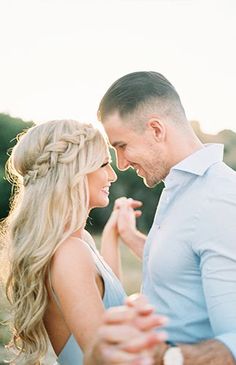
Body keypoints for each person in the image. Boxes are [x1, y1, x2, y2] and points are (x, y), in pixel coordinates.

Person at [96, 71, 236, 365]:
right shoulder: (180, 187)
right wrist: (133, 238)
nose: (121, 163)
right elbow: (186, 262)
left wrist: (168, 357)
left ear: (156, 130)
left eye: (121, 146)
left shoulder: (219, 199)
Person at [1, 119, 166, 365]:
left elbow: (106, 303)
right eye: (104, 164)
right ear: (73, 174)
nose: (112, 175)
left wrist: (112, 233)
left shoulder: (79, 242)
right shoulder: (69, 252)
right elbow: (105, 357)